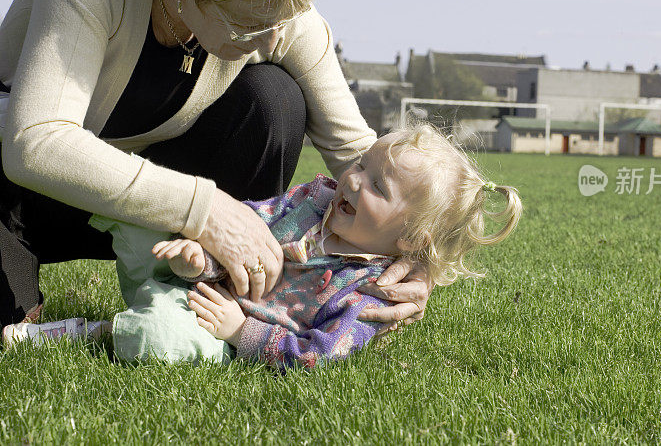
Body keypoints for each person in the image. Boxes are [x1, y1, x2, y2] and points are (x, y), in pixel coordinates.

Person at [0, 0, 430, 328]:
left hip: (150, 215)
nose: (273, 40)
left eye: (282, 22)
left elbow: (361, 156)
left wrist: (418, 257)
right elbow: (35, 143)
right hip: (22, 195)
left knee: (273, 100)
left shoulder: (270, 3)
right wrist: (204, 208)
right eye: (248, 27)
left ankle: (222, 299)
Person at [4, 125, 522, 368]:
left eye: (377, 187)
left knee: (160, 338)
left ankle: (87, 333)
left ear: (410, 240)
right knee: (140, 218)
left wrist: (240, 330)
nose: (354, 182)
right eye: (361, 164)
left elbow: (320, 357)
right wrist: (198, 256)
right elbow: (251, 221)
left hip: (212, 328)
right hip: (188, 280)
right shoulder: (315, 199)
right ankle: (26, 216)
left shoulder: (372, 295)